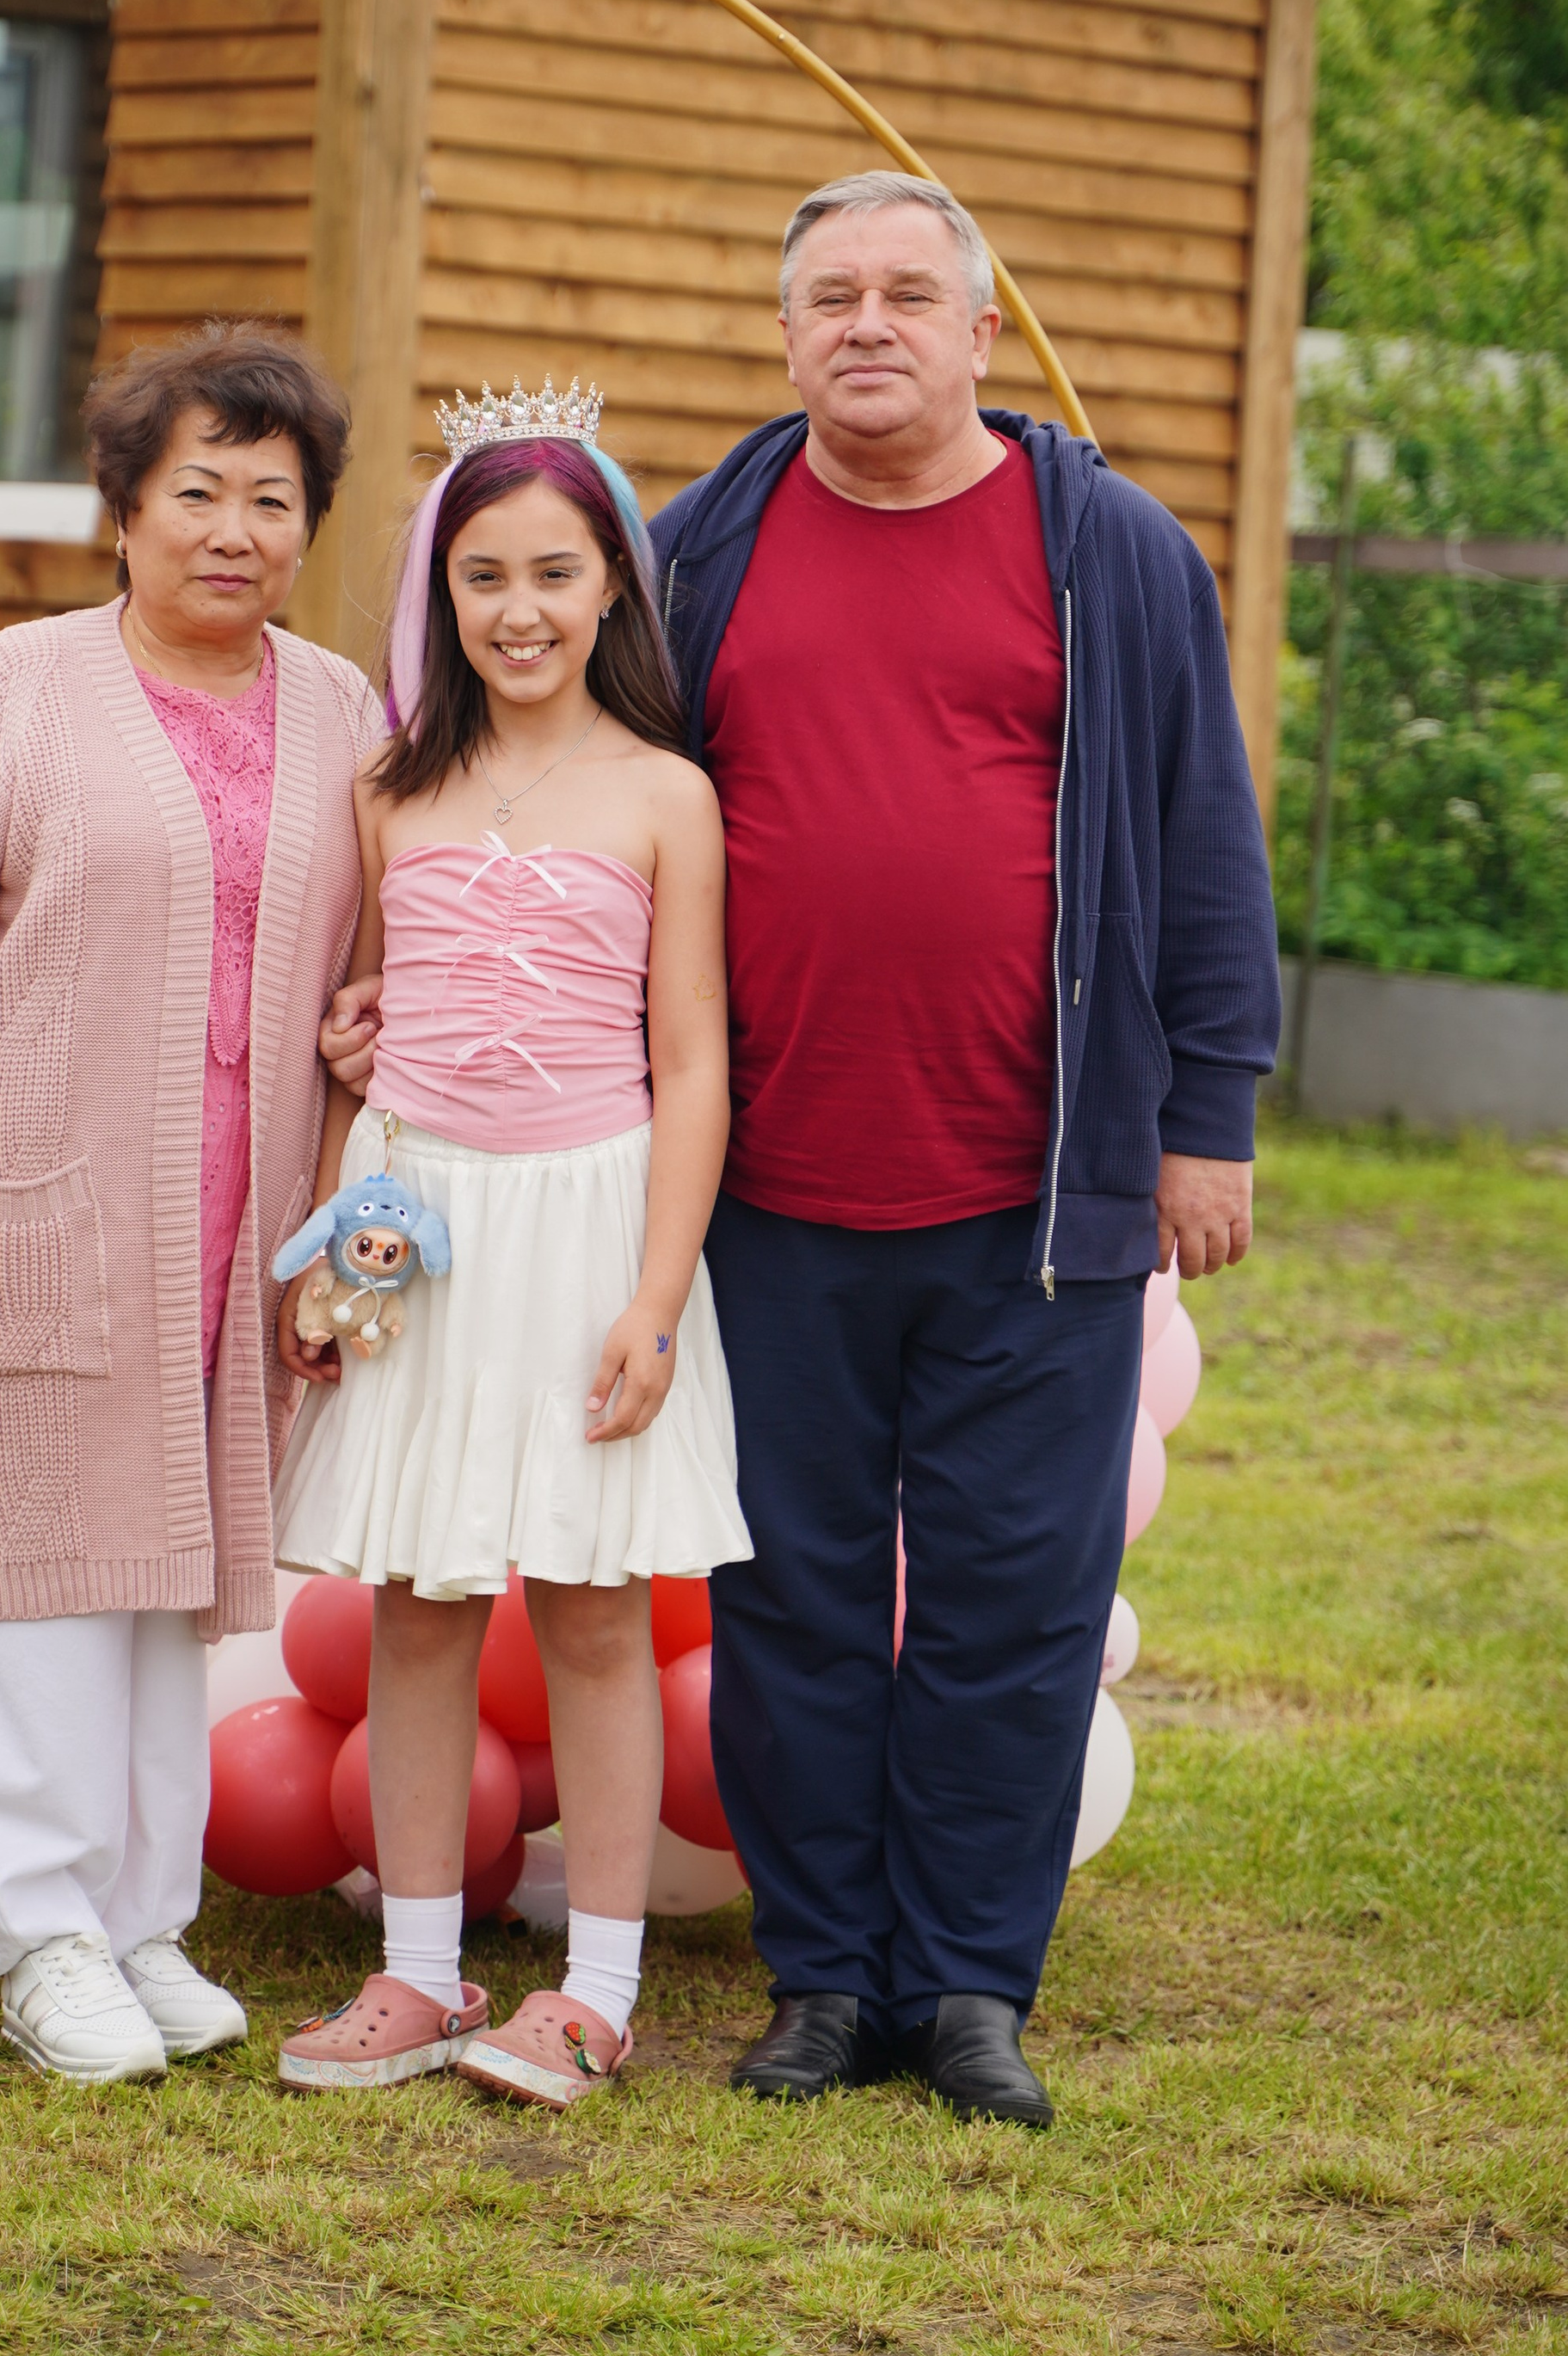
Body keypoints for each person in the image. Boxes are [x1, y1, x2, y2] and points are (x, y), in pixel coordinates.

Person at [647, 168, 1281, 2125]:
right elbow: (578, 811)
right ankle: (825, 1981)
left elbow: (1198, 844)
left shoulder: (1110, 554)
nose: (865, 323)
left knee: (1013, 1606)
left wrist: (1204, 1119)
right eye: (826, 292)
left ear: (979, 331)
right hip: (765, 1193)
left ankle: (970, 1991)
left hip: (1038, 1192)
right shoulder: (696, 553)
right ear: (781, 333)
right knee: (792, 1606)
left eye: (906, 293)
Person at [0, 320, 379, 2086]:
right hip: (36, 1201)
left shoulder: (340, 709)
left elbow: (363, 937)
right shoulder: (20, 684)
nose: (234, 529)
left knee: (166, 1577)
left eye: (271, 500)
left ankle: (142, 1923)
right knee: (29, 1568)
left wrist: (369, 1020)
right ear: (124, 512)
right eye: (196, 490)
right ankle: (42, 1935)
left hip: (237, 1221)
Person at [270, 385, 745, 2109]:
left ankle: (592, 1993)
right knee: (417, 1597)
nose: (518, 610)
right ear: (440, 594)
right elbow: (365, 1034)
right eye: (482, 576)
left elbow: (688, 1058)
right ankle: (414, 1972)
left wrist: (655, 1292)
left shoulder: (661, 796)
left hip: (586, 1224)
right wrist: (331, 1248)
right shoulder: (393, 786)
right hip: (423, 1224)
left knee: (593, 1603)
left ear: (611, 583)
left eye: (554, 572)